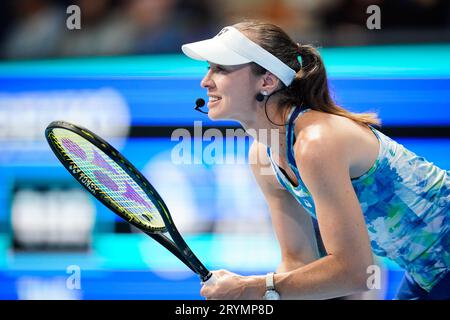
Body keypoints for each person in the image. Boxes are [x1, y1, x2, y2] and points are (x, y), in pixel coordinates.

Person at [181, 20, 449, 300]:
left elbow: (355, 273)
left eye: (221, 68)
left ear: (267, 81)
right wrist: (260, 297)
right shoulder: (263, 156)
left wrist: (252, 287)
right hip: (428, 272)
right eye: (208, 68)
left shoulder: (316, 142)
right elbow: (297, 263)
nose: (206, 80)